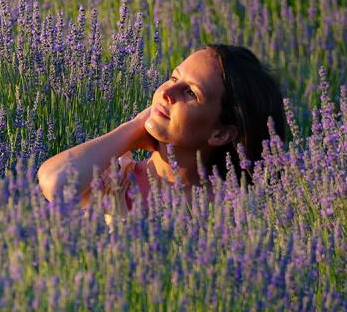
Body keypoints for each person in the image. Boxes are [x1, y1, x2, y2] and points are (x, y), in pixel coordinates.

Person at [36, 44, 291, 211]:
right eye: (173, 77)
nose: (167, 92)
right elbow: (56, 183)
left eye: (190, 93)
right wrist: (135, 128)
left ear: (220, 133)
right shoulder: (115, 180)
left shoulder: (233, 211)